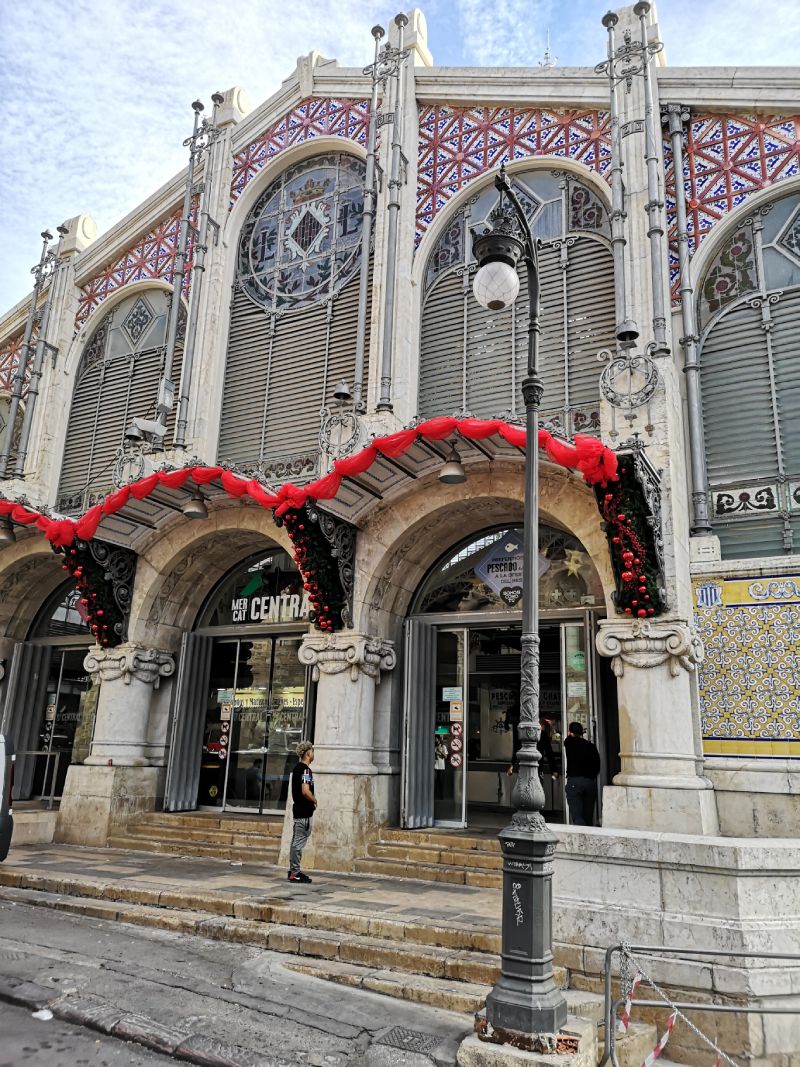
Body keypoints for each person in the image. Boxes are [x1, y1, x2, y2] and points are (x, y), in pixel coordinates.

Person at [288, 741, 316, 884]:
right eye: (312, 751)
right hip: (304, 812)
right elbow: (305, 791)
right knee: (298, 843)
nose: (313, 754)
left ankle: (293, 870)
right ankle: (295, 873)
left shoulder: (297, 769)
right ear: (308, 753)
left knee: (295, 842)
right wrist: (314, 799)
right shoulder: (305, 770)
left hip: (298, 810)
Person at [564, 722, 600, 826]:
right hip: (589, 782)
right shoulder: (591, 746)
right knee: (588, 818)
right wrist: (591, 777)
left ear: (570, 732)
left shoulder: (569, 744)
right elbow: (597, 765)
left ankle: (579, 841)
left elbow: (568, 739)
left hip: (574, 781)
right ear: (581, 732)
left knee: (577, 817)